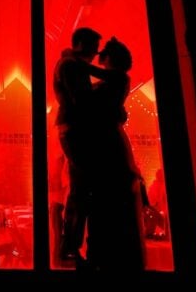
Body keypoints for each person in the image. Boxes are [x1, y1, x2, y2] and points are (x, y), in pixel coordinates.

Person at [85, 37, 146, 271]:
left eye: (105, 55)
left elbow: (95, 78)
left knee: (110, 192)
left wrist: (74, 61)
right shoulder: (116, 80)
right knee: (106, 195)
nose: (102, 58)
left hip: (109, 142)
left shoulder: (120, 77)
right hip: (105, 140)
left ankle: (111, 257)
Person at [52, 26, 102, 263]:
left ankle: (69, 245)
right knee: (81, 187)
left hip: (71, 128)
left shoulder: (71, 64)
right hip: (75, 129)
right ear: (81, 43)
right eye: (93, 47)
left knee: (79, 186)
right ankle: (69, 245)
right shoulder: (71, 66)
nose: (95, 52)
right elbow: (81, 99)